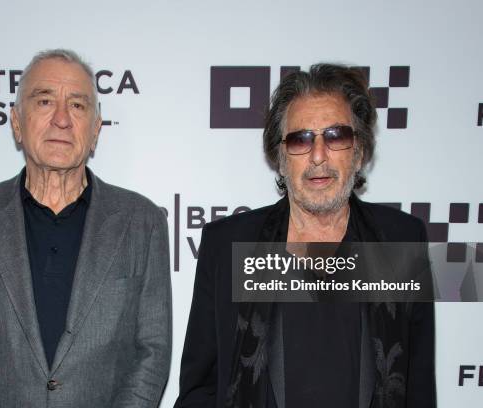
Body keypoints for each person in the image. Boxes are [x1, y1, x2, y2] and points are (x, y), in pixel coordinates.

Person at [174, 64, 435, 408]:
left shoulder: (400, 239)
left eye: (336, 136)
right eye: (300, 139)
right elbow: (200, 388)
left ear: (358, 152)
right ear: (280, 157)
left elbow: (418, 385)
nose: (318, 156)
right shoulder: (229, 245)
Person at [0, 49, 171, 408]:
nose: (61, 119)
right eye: (44, 101)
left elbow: (152, 353)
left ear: (95, 131)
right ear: (16, 122)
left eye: (77, 106)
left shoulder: (143, 222)